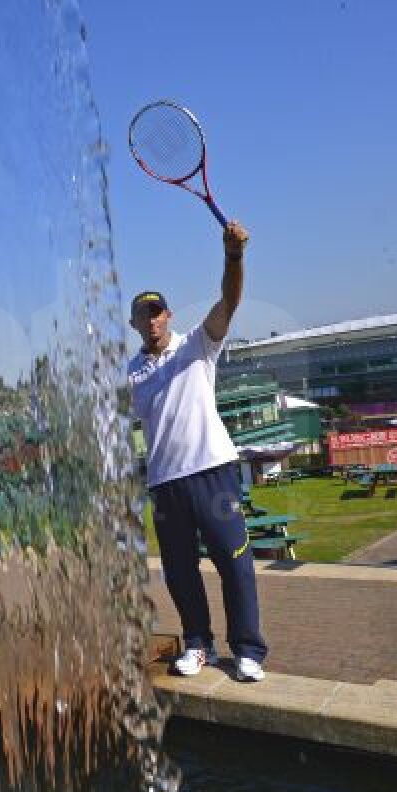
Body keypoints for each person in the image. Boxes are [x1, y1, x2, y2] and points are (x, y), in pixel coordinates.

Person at [127, 221, 267, 683]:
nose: (151, 321)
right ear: (134, 325)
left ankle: (247, 650)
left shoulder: (198, 345)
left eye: (157, 312)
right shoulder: (131, 373)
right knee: (180, 573)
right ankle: (198, 644)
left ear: (168, 315)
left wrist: (233, 257)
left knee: (234, 561)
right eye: (142, 316)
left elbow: (229, 302)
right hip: (165, 484)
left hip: (211, 471)